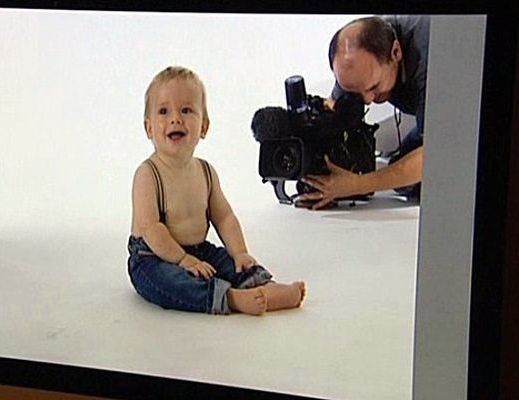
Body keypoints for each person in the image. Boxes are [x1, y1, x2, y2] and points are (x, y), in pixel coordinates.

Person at [127, 66, 306, 315]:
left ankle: (263, 287)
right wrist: (182, 260)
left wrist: (240, 252)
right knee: (171, 282)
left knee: (227, 262)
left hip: (199, 249)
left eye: (186, 110)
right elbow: (151, 229)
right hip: (153, 256)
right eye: (163, 111)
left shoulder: (206, 172)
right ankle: (230, 298)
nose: (175, 118)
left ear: (204, 126)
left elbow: (224, 217)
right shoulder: (148, 174)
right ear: (148, 128)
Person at [295, 15, 430, 209]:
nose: (367, 100)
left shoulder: (430, 66)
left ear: (396, 52)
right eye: (354, 91)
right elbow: (332, 107)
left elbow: (436, 155)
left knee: (425, 178)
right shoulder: (361, 60)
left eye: (374, 87)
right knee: (399, 170)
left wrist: (356, 184)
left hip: (471, 110)